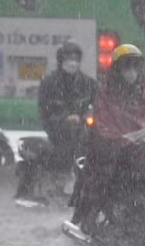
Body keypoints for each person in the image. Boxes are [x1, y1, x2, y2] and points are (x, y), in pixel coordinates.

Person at [72, 43, 145, 229]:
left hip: (139, 154)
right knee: (100, 183)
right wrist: (119, 139)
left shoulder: (143, 96)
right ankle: (86, 222)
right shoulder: (105, 95)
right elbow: (104, 122)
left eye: (135, 66)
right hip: (108, 155)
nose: (131, 72)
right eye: (127, 66)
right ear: (117, 69)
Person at [22, 40, 95, 202]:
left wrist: (83, 119)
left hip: (83, 134)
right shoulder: (50, 83)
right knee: (63, 154)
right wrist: (63, 120)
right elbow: (45, 112)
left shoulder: (88, 83)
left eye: (76, 58)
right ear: (61, 60)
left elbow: (97, 106)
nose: (72, 63)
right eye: (68, 58)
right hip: (58, 134)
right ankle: (59, 184)